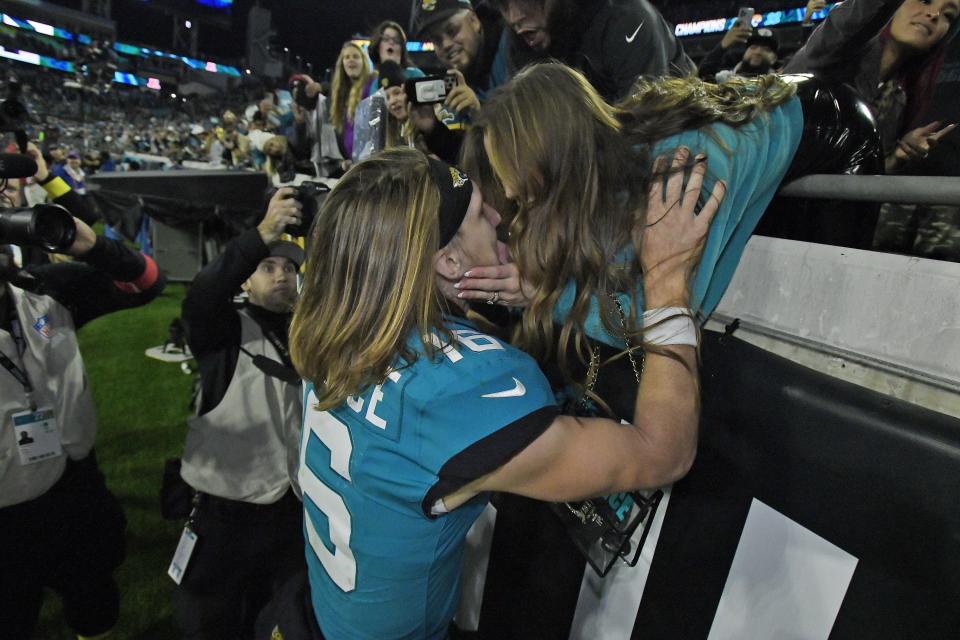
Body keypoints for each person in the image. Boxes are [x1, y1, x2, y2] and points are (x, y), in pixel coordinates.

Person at [454, 63, 886, 636]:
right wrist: (553, 291)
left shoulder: (682, 177)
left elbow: (658, 316)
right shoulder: (599, 167)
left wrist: (548, 296)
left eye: (515, 178)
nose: (509, 196)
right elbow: (620, 286)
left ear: (558, 155)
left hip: (840, 134)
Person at [272, 146, 718, 639]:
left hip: (322, 614)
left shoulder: (336, 327)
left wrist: (538, 298)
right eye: (480, 213)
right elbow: (663, 452)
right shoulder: (458, 391)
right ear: (448, 260)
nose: (499, 216)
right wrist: (668, 283)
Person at [0, 148, 165, 639]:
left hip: (74, 488)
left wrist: (92, 247)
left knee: (94, 603)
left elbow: (146, 282)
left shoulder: (44, 289)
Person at [174, 188, 307, 640]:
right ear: (245, 282)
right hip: (226, 515)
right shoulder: (223, 329)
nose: (281, 276)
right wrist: (262, 235)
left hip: (291, 511)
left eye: (289, 267)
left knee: (283, 620)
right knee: (212, 624)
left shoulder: (308, 331)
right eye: (266, 267)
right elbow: (203, 296)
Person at [785, 0, 959, 174]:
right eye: (924, 0)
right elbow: (852, 18)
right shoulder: (838, 49)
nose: (934, 14)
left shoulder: (898, 100)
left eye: (948, 15)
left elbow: (857, 179)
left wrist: (897, 157)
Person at [490, 0, 695, 101]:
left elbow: (647, 124)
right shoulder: (517, 40)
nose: (514, 16)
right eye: (504, 4)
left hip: (679, 130)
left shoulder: (624, 17)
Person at [410, 0, 509, 162]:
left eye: (452, 30)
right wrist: (434, 129)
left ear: (474, 21)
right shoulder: (457, 81)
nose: (446, 44)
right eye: (436, 40)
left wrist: (481, 115)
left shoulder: (513, 48)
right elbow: (469, 163)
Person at [329, 41, 374, 167]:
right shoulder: (340, 92)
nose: (351, 60)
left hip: (371, 162)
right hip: (353, 163)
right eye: (347, 57)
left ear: (364, 61)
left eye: (356, 56)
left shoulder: (372, 83)